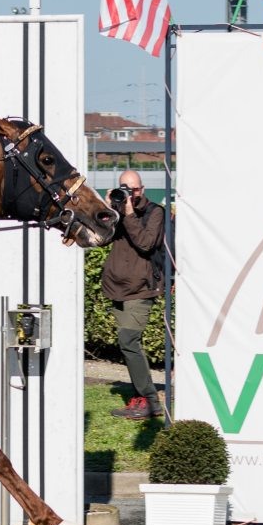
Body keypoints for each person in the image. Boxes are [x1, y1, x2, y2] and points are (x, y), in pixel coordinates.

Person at [99, 170, 165, 419]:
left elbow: (146, 243)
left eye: (134, 189)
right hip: (118, 288)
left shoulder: (154, 212)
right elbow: (101, 238)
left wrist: (128, 214)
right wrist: (106, 210)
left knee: (129, 341)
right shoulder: (116, 212)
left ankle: (150, 401)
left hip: (141, 289)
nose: (130, 194)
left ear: (143, 188)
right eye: (125, 188)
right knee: (127, 345)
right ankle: (140, 397)